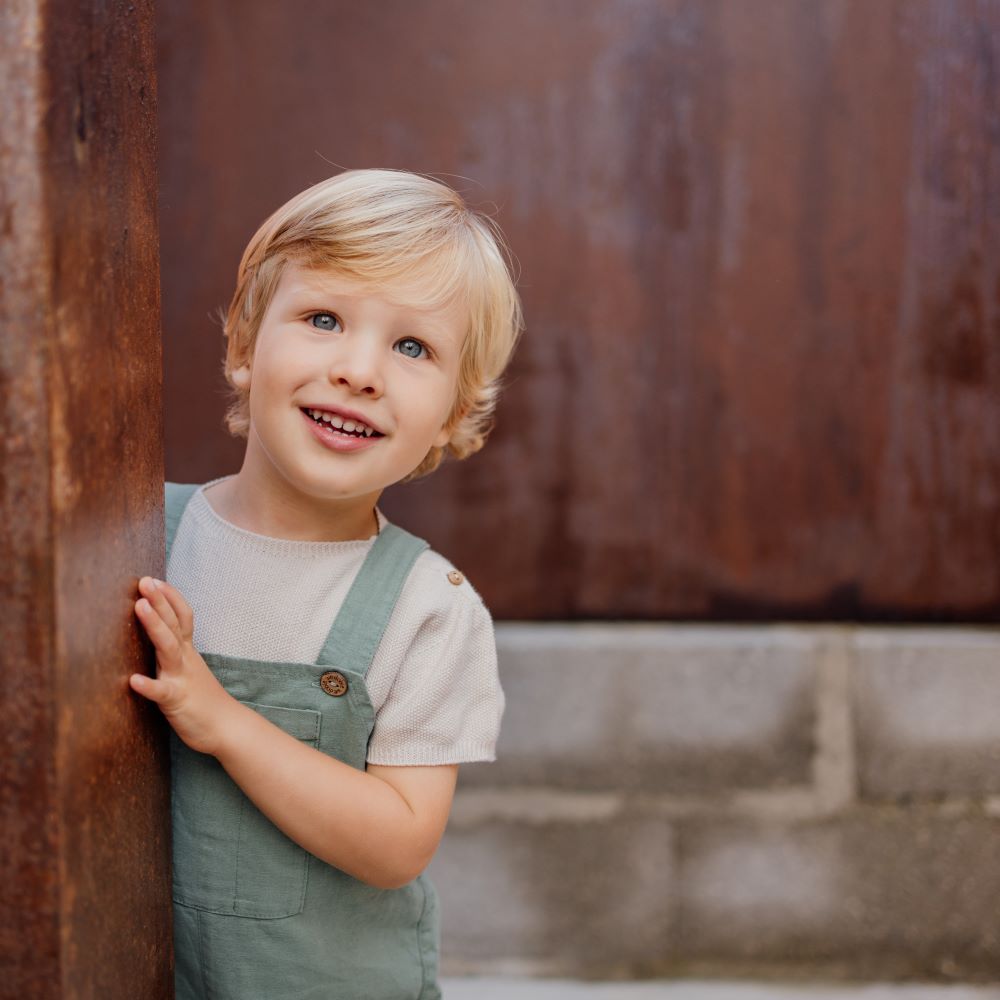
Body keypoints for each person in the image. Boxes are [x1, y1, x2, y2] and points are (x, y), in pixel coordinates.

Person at [127, 168, 523, 1000]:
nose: (359, 370)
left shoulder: (429, 610)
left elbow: (398, 844)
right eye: (323, 319)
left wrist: (222, 722)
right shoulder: (129, 536)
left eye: (412, 347)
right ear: (243, 346)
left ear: (453, 413)